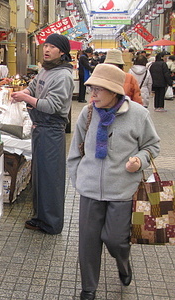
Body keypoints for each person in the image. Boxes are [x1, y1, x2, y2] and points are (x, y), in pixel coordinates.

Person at [67, 63, 160, 300]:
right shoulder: (88, 113)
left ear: (114, 91)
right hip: (90, 190)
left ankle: (123, 262)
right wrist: (78, 178)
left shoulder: (138, 114)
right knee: (88, 243)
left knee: (115, 239)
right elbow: (75, 151)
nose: (93, 95)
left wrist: (139, 160)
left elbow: (152, 145)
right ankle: (89, 288)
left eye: (99, 90)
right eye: (91, 89)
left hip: (122, 190)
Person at [10, 33, 74, 235]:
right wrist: (25, 93)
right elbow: (32, 86)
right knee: (39, 177)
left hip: (52, 130)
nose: (46, 49)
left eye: (52, 47)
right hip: (40, 128)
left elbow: (53, 106)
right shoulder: (45, 70)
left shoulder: (63, 76)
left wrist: (26, 99)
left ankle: (52, 223)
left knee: (50, 178)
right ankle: (40, 218)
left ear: (62, 52)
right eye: (45, 45)